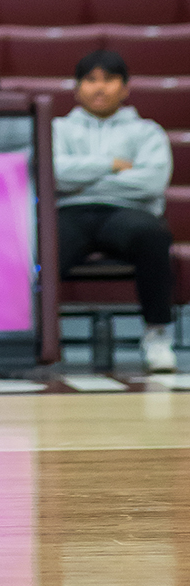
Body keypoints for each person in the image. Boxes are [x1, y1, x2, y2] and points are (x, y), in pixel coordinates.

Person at [53, 48, 176, 374]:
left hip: (127, 213)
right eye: (91, 79)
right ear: (77, 88)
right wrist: (111, 165)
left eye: (109, 79)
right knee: (43, 243)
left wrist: (83, 181)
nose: (100, 87)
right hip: (72, 212)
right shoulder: (57, 129)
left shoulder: (147, 131)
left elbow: (151, 182)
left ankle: (157, 334)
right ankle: (42, 338)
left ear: (125, 88)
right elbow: (52, 174)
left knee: (153, 236)